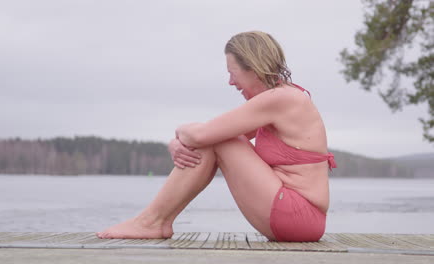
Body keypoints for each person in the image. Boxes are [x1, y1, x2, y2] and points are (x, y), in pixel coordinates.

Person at [96, 31, 336, 242]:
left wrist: (179, 133)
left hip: (297, 215)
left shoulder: (281, 99)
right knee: (217, 139)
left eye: (233, 73)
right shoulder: (283, 98)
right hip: (297, 217)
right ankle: (154, 221)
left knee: (219, 140)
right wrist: (178, 143)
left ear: (252, 68)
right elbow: (207, 136)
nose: (231, 82)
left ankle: (151, 222)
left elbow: (203, 135)